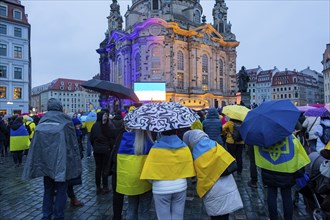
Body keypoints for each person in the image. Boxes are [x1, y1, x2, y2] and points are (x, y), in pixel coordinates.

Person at [22, 98, 82, 220]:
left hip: (46, 164)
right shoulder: (65, 121)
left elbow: (36, 146)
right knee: (61, 191)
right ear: (60, 107)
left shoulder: (42, 121)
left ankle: (46, 216)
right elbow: (72, 144)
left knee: (48, 190)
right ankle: (58, 216)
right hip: (61, 163)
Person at [183, 130, 243, 220]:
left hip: (212, 189)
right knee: (225, 215)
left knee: (216, 216)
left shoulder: (195, 155)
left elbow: (193, 174)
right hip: (227, 185)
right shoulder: (215, 145)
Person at [140, 129, 196, 220]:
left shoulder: (155, 149)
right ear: (176, 132)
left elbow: (149, 173)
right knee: (178, 216)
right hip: (180, 186)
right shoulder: (184, 147)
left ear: (161, 132)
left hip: (160, 188)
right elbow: (188, 168)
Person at [254, 134, 310, 220]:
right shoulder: (290, 136)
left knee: (271, 194)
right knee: (287, 196)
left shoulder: (264, 136)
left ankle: (273, 217)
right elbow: (298, 153)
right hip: (286, 171)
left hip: (269, 169)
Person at [116, 129, 154, 220]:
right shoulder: (149, 143)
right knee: (144, 210)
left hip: (130, 183)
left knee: (131, 208)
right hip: (145, 182)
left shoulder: (124, 139)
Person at [90, 111, 116, 195]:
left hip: (97, 150)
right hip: (106, 150)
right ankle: (105, 186)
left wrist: (94, 146)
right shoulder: (107, 126)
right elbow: (112, 137)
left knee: (98, 168)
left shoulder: (94, 126)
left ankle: (98, 187)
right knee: (105, 168)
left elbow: (91, 138)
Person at [67, 117, 84, 207]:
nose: (79, 126)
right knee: (69, 181)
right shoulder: (72, 134)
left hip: (76, 158)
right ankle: (72, 198)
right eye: (77, 124)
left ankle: (72, 197)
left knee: (70, 181)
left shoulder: (78, 133)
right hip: (71, 160)